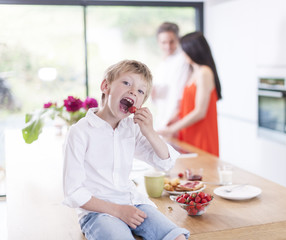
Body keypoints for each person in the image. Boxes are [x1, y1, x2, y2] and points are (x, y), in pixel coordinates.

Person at [63, 60, 189, 240]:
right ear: (105, 86)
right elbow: (73, 192)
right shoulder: (80, 132)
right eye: (127, 83)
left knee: (177, 237)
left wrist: (149, 131)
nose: (133, 91)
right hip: (98, 212)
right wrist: (118, 211)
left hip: (133, 203)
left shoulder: (131, 128)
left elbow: (166, 163)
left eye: (140, 91)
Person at [159, 32, 222, 157]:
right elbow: (188, 104)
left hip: (201, 134)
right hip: (189, 133)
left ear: (193, 51)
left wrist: (172, 129)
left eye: (184, 50)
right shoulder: (193, 71)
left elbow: (200, 111)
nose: (183, 54)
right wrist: (173, 118)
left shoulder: (204, 72)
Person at [152, 22, 190, 130]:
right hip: (162, 115)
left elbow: (181, 93)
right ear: (158, 42)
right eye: (164, 42)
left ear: (178, 39)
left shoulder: (183, 60)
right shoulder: (162, 63)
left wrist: (174, 118)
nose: (168, 46)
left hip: (176, 118)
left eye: (172, 42)